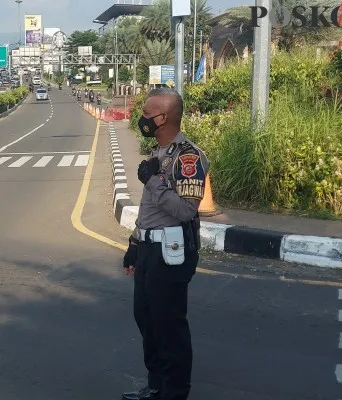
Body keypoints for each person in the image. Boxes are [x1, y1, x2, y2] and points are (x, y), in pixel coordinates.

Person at [121, 88, 209, 400]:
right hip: (148, 249)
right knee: (145, 317)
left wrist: (154, 181)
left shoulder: (188, 157)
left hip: (170, 253)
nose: (141, 118)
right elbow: (150, 211)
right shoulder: (158, 153)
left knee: (169, 325)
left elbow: (186, 210)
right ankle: (156, 384)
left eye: (146, 113)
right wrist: (134, 243)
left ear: (163, 117)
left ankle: (174, 392)